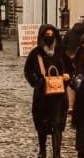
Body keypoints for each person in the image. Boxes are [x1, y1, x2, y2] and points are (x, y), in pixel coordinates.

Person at [24, 24, 70, 158]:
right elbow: (28, 71)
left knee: (57, 125)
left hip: (59, 98)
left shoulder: (61, 53)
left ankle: (57, 153)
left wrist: (67, 76)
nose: (49, 38)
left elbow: (71, 69)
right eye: (47, 35)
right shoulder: (36, 53)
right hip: (42, 97)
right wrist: (38, 83)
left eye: (51, 35)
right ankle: (42, 150)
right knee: (41, 125)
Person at [64, 22, 84, 113]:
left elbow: (63, 45)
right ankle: (81, 104)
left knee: (71, 82)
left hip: (70, 59)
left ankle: (71, 105)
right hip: (83, 60)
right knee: (82, 80)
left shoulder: (69, 33)